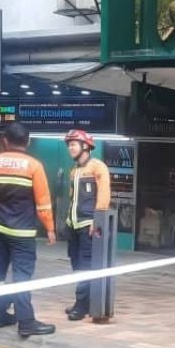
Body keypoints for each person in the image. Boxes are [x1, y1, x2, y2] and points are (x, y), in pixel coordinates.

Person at [0, 122, 56, 337]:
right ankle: (26, 321)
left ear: (5, 141)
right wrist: (50, 228)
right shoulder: (34, 166)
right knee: (22, 275)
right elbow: (43, 201)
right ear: (27, 142)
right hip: (22, 232)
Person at [62, 129, 111, 321]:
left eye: (73, 144)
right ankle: (82, 301)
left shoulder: (98, 167)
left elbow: (104, 195)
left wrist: (97, 221)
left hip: (88, 225)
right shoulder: (74, 171)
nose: (70, 148)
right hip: (73, 225)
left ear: (85, 146)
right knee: (76, 264)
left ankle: (81, 306)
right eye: (69, 145)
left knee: (85, 266)